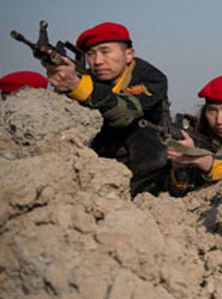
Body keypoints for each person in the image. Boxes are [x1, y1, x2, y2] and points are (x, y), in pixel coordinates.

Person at [44, 22, 170, 196]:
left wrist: (77, 87)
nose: (97, 61)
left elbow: (126, 113)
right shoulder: (87, 79)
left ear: (128, 55)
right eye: (91, 54)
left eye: (105, 51)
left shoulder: (151, 78)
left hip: (149, 165)